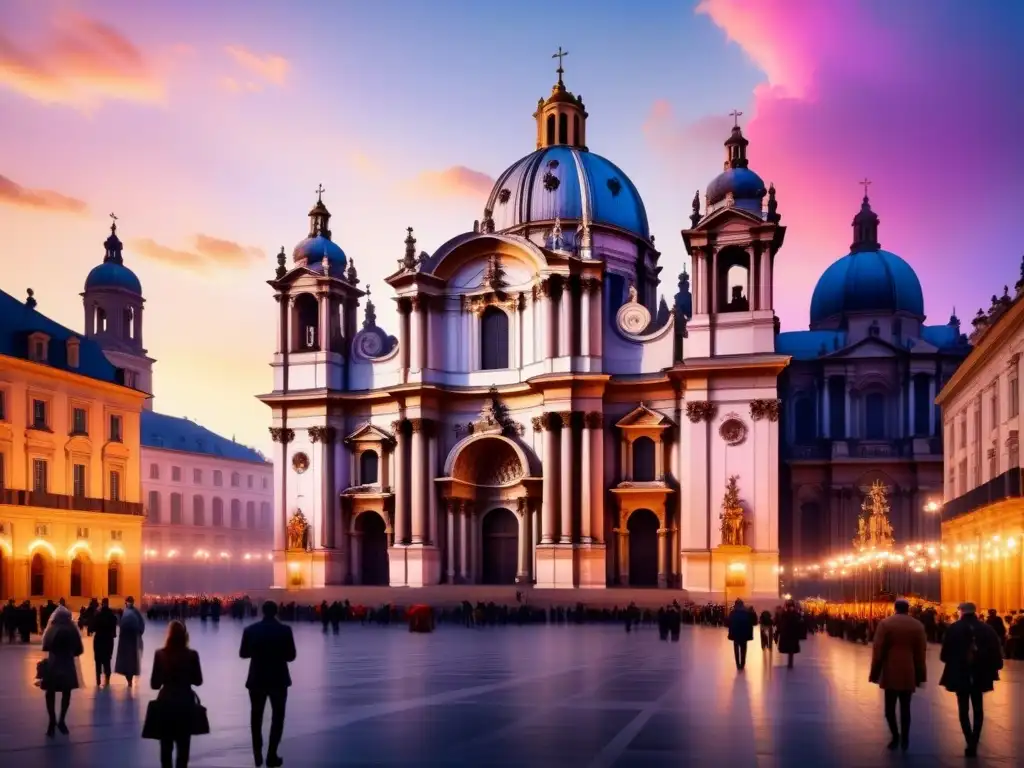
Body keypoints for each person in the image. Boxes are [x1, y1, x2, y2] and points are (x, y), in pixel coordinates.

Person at [940, 602, 1004, 757]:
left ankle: (969, 739)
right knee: (978, 707)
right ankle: (975, 739)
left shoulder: (953, 629)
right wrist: (994, 667)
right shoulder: (987, 629)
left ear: (961, 612)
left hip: (960, 673)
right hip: (981, 673)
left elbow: (944, 655)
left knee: (963, 708)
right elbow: (997, 652)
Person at [240, 601, 297, 768]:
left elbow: (243, 654)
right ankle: (272, 754)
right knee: (278, 718)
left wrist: (257, 651)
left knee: (256, 717)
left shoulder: (250, 630)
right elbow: (291, 656)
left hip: (257, 679)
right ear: (276, 611)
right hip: (278, 679)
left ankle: (257, 753)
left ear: (262, 611)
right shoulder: (285, 630)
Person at [870, 598, 927, 752]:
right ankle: (905, 738)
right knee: (905, 708)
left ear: (895, 608)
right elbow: (921, 653)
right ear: (908, 609)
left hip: (890, 669)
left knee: (889, 708)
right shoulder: (917, 625)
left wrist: (875, 672)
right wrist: (921, 675)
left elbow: (878, 650)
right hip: (909, 670)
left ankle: (895, 735)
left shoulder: (886, 624)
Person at [147, 621, 204, 768]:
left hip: (165, 702)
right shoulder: (192, 655)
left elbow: (154, 684)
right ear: (185, 636)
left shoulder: (160, 654)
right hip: (185, 702)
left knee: (166, 748)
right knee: (183, 748)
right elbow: (198, 681)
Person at [39, 605, 84, 737]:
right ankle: (62, 720)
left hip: (53, 664)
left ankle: (51, 721)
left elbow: (45, 645)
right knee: (66, 692)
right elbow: (79, 649)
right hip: (67, 664)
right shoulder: (72, 629)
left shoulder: (52, 628)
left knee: (50, 693)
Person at [115, 596, 145, 688]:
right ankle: (129, 679)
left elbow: (120, 623)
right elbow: (141, 625)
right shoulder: (134, 612)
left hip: (129, 640)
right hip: (129, 640)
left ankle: (129, 680)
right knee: (130, 662)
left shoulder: (128, 612)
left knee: (128, 662)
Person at [91, 598, 118, 687]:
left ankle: (98, 680)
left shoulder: (98, 615)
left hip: (98, 640)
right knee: (107, 661)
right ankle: (107, 679)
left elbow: (93, 627)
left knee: (98, 661)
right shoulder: (112, 615)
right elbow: (114, 632)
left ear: (102, 604)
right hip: (108, 640)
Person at [727, 599, 754, 670]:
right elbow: (754, 622)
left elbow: (727, 623)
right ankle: (742, 664)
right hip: (745, 634)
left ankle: (738, 665)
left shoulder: (732, 613)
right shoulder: (747, 612)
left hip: (735, 634)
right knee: (743, 649)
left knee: (736, 650)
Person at [776, 600, 802, 668]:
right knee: (791, 649)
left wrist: (779, 632)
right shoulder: (795, 614)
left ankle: (790, 663)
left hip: (787, 634)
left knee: (790, 649)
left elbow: (781, 624)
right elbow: (798, 624)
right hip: (792, 634)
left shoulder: (785, 614)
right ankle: (790, 663)